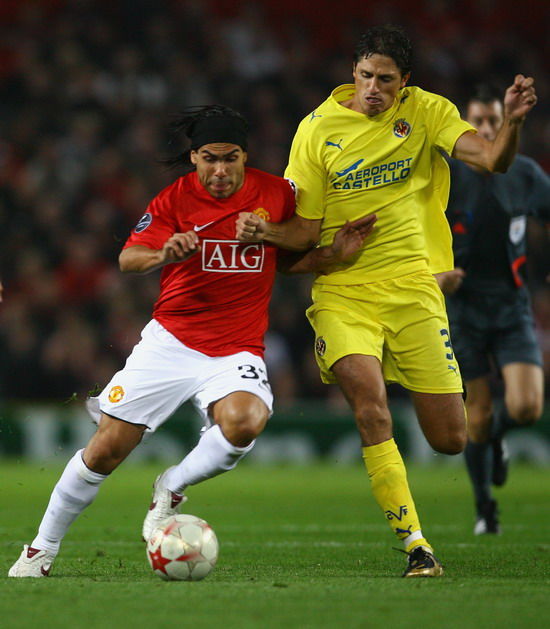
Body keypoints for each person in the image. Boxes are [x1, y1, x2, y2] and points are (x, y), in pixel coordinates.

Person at [8, 105, 375, 578]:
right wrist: (165, 251)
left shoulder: (278, 194)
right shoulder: (174, 199)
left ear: (245, 156)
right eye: (209, 158)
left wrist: (328, 254)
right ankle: (40, 550)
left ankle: (171, 486)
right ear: (195, 157)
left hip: (237, 347)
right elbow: (128, 259)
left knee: (245, 422)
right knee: (104, 451)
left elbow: (290, 255)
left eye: (230, 158)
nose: (220, 170)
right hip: (172, 343)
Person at [236, 25, 538, 577]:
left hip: (414, 289)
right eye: (365, 76)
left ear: (405, 82)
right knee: (371, 408)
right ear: (352, 73)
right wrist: (268, 233)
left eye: (386, 80)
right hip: (343, 292)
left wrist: (513, 122)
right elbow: (304, 231)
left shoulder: (427, 112)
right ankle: (416, 546)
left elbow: (493, 159)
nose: (373, 88)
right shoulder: (317, 130)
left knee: (451, 438)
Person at [435, 84, 549, 535]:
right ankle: (485, 508)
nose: (484, 128)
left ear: (505, 124)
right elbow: (412, 232)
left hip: (511, 305)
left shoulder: (524, 173)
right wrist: (435, 274)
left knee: (526, 408)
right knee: (477, 417)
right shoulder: (445, 176)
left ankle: (499, 441)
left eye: (492, 121)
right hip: (462, 308)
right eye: (476, 121)